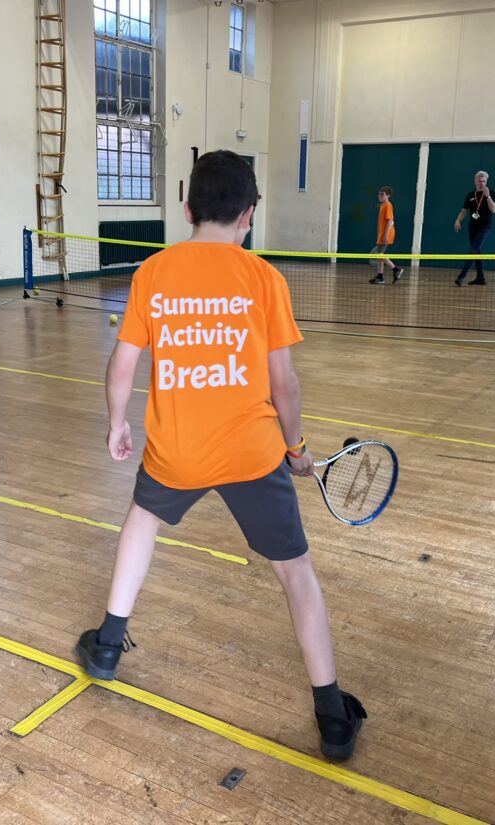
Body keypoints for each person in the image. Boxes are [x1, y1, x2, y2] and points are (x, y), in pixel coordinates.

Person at [76, 150, 367, 761]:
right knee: (296, 573)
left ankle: (107, 645)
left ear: (187, 209)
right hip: (252, 453)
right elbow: (283, 384)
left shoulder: (153, 272)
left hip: (175, 449)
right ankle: (332, 712)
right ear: (249, 215)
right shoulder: (264, 278)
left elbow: (122, 363)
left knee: (142, 521)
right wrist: (297, 449)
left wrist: (114, 423)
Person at [453, 171, 495, 286]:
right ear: (475, 181)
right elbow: (464, 211)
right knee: (476, 252)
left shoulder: (491, 193)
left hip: (484, 227)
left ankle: (461, 277)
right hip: (472, 227)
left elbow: (493, 209)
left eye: (484, 181)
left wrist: (487, 196)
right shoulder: (470, 195)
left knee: (473, 250)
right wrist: (458, 220)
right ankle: (480, 278)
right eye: (479, 181)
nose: (481, 183)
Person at [368, 186, 403, 285]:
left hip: (386, 234)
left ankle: (396, 269)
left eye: (382, 194)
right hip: (381, 234)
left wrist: (386, 234)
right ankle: (380, 277)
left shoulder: (388, 205)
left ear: (388, 195)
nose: (380, 196)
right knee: (380, 256)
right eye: (379, 193)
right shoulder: (382, 205)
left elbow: (390, 220)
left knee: (379, 255)